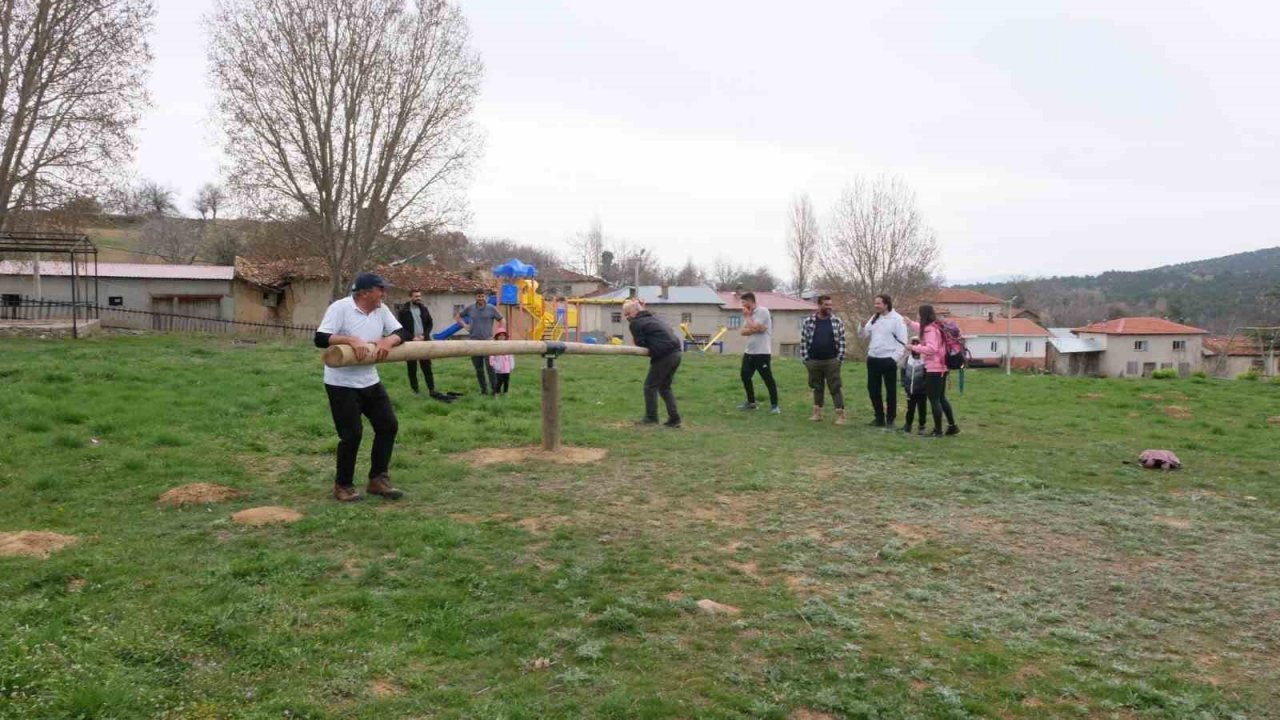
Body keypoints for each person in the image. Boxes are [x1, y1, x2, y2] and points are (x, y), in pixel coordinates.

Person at [313, 272, 405, 502]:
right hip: (341, 383)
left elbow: (403, 332)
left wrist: (387, 341)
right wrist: (350, 340)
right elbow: (320, 338)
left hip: (369, 380)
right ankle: (343, 485)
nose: (383, 293)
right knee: (352, 434)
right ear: (364, 293)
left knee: (388, 425)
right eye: (380, 289)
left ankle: (378, 480)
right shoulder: (340, 308)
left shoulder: (381, 310)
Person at [624, 299, 683, 427]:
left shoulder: (636, 323)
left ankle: (651, 418)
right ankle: (674, 419)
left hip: (664, 355)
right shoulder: (655, 319)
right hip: (677, 353)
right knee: (665, 387)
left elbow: (640, 342)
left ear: (634, 312)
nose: (627, 318)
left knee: (650, 387)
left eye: (627, 314)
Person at [907, 304, 960, 437]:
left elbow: (931, 349)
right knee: (941, 398)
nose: (917, 316)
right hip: (942, 367)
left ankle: (938, 431)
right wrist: (910, 323)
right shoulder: (936, 326)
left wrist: (914, 348)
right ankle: (952, 426)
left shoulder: (930, 330)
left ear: (923, 315)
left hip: (934, 368)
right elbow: (921, 328)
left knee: (934, 399)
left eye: (918, 314)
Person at [860, 293, 908, 428]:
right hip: (873, 358)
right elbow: (864, 335)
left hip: (888, 360)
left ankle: (890, 419)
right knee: (873, 390)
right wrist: (862, 326)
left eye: (878, 303)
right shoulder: (874, 318)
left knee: (890, 391)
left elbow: (902, 341)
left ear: (886, 304)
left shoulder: (898, 319)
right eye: (875, 303)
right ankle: (879, 418)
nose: (875, 306)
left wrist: (893, 359)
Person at [800, 294, 847, 425]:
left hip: (832, 361)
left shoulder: (837, 321)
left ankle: (840, 415)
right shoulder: (808, 321)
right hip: (813, 361)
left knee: (835, 388)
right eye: (826, 305)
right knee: (817, 387)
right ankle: (817, 414)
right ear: (819, 305)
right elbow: (803, 341)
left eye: (830, 305)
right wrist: (806, 359)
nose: (829, 307)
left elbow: (843, 341)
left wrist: (839, 359)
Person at [396, 288, 449, 401]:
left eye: (419, 296)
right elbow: (400, 327)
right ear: (410, 297)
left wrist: (424, 335)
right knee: (412, 368)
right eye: (416, 296)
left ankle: (432, 390)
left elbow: (430, 323)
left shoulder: (424, 309)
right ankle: (415, 391)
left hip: (424, 342)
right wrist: (412, 337)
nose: (418, 298)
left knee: (427, 367)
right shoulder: (403, 311)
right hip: (410, 343)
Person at [737, 291, 780, 414]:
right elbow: (743, 331)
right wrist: (754, 328)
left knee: (767, 378)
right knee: (745, 376)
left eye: (744, 303)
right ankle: (751, 403)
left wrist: (748, 319)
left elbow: (755, 327)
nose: (743, 307)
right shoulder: (750, 314)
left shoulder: (762, 311)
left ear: (750, 301)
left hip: (762, 353)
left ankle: (775, 405)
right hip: (749, 352)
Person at [455, 290, 504, 394]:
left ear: (485, 297)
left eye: (482, 296)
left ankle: (495, 390)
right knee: (479, 368)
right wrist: (465, 325)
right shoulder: (470, 308)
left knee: (490, 367)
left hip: (488, 342)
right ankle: (484, 390)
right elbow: (458, 316)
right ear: (475, 297)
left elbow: (501, 320)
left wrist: (498, 333)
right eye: (478, 296)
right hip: (474, 342)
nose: (480, 298)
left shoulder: (491, 308)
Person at [899, 336, 928, 435]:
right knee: (910, 408)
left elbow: (927, 374)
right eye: (913, 344)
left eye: (917, 344)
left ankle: (922, 426)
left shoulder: (925, 360)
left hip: (922, 390)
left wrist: (925, 385)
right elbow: (902, 370)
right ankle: (908, 425)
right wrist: (903, 383)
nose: (915, 347)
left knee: (922, 409)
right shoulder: (907, 359)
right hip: (910, 390)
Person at [488, 329, 515, 395]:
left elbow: (511, 356)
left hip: (507, 368)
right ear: (497, 336)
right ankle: (497, 392)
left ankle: (505, 392)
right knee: (499, 381)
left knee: (506, 381)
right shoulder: (494, 346)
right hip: (499, 368)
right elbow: (491, 357)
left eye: (503, 335)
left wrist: (511, 366)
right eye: (500, 335)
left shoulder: (508, 345)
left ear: (505, 337)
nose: (502, 337)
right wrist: (494, 365)